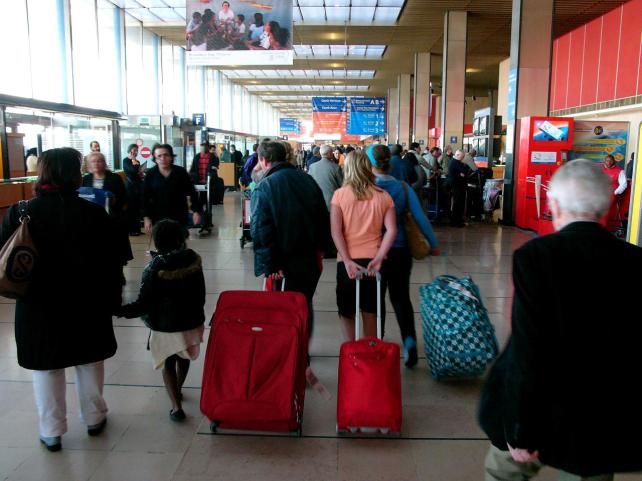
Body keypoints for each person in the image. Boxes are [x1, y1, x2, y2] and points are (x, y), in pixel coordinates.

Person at [479, 159, 642, 481]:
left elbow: (528, 349)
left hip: (540, 410)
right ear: (608, 205)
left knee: (502, 473)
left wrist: (518, 428)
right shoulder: (635, 262)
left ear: (552, 204)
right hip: (602, 419)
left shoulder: (536, 257)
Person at [0, 148, 122, 452]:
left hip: (38, 305)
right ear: (73, 175)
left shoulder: (21, 211)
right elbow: (113, 261)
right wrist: (113, 299)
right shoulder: (94, 213)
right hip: (87, 303)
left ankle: (51, 430)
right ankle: (94, 418)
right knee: (89, 361)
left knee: (46, 367)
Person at [117, 219, 205, 423]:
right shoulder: (193, 259)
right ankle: (179, 390)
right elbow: (200, 293)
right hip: (191, 320)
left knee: (168, 362)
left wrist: (121, 311)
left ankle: (176, 407)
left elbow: (144, 302)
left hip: (165, 325)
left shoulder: (155, 267)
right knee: (184, 357)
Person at [251, 141, 330, 339]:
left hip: (284, 262)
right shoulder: (306, 179)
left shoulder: (266, 186)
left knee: (285, 309)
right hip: (309, 259)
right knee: (304, 304)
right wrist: (321, 248)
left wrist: (270, 264)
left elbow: (261, 229)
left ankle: (292, 358)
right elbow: (322, 215)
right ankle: (304, 360)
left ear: (263, 160)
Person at [369, 144, 439, 367]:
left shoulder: (366, 189)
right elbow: (420, 218)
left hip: (372, 253)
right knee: (401, 298)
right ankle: (409, 341)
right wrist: (433, 244)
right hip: (400, 251)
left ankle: (376, 344)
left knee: (375, 300)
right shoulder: (403, 187)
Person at [330, 150, 397, 341]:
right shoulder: (383, 196)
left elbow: (336, 232)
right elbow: (391, 230)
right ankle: (370, 352)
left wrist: (347, 260)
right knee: (371, 309)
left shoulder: (340, 195)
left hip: (347, 263)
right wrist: (379, 257)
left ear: (348, 169)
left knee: (347, 311)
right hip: (373, 262)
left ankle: (351, 352)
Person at [82, 151, 133, 269]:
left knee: (115, 248)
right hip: (93, 219)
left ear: (104, 163)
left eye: (99, 161)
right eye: (93, 161)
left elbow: (124, 197)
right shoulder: (86, 179)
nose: (96, 164)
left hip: (113, 218)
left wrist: (113, 202)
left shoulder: (114, 178)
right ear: (88, 165)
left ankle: (118, 271)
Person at [142, 144, 202, 233]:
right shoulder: (151, 174)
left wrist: (196, 211)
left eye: (166, 155)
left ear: (171, 157)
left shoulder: (181, 172)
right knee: (162, 244)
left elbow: (192, 192)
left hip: (179, 215)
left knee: (179, 243)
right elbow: (144, 197)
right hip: (158, 216)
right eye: (159, 156)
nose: (163, 158)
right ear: (155, 159)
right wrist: (146, 217)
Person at [189, 142, 219, 235]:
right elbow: (193, 169)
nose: (203, 149)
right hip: (199, 184)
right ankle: (201, 220)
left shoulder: (213, 157)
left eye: (204, 147)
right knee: (200, 202)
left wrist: (211, 174)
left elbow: (215, 168)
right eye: (201, 147)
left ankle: (208, 221)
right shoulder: (197, 157)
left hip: (210, 184)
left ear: (208, 148)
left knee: (209, 203)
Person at [309, 144, 344, 211]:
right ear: (329, 154)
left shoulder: (312, 167)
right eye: (332, 152)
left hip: (316, 202)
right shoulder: (336, 167)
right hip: (332, 203)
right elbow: (342, 185)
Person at [122, 143, 144, 236]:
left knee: (137, 208)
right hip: (130, 187)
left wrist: (141, 173)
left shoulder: (137, 161)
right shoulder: (126, 160)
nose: (135, 152)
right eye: (134, 150)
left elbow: (137, 172)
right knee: (131, 208)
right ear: (130, 150)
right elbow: (133, 170)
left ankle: (137, 229)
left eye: (136, 150)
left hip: (137, 186)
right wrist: (134, 160)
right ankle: (131, 230)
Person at [602, 154, 627, 231]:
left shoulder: (619, 171)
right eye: (607, 160)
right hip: (600, 193)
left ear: (613, 161)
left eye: (610, 160)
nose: (608, 162)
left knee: (603, 208)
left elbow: (624, 184)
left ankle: (602, 228)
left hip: (612, 194)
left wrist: (615, 192)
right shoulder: (601, 170)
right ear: (605, 161)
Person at [448, 149, 470, 227]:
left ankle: (458, 221)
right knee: (457, 203)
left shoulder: (454, 161)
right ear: (458, 155)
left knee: (457, 203)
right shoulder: (455, 162)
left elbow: (463, 173)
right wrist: (464, 169)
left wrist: (463, 173)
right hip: (457, 185)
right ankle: (456, 222)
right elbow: (464, 172)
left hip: (457, 185)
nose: (463, 158)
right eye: (462, 156)